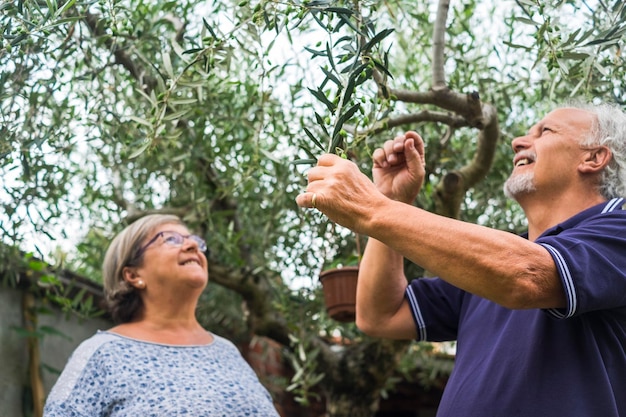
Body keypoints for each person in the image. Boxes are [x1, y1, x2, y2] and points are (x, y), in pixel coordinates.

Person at [296, 102, 626, 416]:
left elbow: (528, 276)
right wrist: (391, 199)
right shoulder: (489, 265)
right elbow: (380, 316)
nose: (517, 141)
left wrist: (372, 209)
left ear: (594, 157)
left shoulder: (617, 231)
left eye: (545, 131)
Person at [44, 214, 280, 416]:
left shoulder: (227, 352)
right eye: (171, 240)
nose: (192, 247)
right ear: (133, 275)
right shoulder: (102, 353)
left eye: (195, 241)